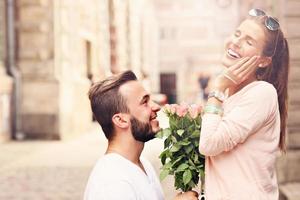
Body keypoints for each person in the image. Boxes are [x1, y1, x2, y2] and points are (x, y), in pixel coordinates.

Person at [199, 8, 289, 199]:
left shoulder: (262, 93)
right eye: (237, 34)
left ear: (264, 61)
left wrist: (217, 87)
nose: (236, 42)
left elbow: (208, 144)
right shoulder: (226, 96)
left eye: (249, 41)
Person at [84, 70, 198, 200]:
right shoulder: (112, 182)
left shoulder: (142, 164)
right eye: (145, 102)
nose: (156, 107)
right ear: (121, 120)